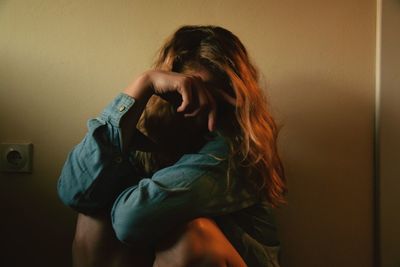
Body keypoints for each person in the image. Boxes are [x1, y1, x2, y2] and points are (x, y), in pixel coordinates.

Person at [58, 25, 286, 267]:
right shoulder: (158, 132)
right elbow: (76, 194)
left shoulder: (238, 151)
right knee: (95, 207)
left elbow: (132, 219)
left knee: (192, 237)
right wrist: (144, 84)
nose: (201, 107)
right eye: (191, 92)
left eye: (213, 96)